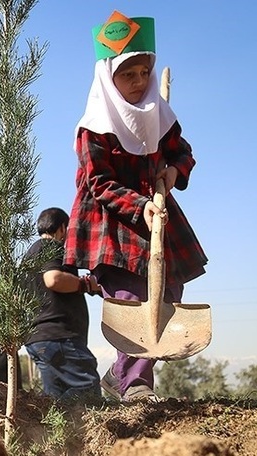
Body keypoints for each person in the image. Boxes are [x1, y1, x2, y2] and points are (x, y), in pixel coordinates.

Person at [65, 11, 208, 403]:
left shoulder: (159, 115)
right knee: (131, 297)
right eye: (129, 75)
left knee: (167, 294)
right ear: (108, 77)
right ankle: (136, 385)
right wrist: (140, 203)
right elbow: (98, 183)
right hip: (111, 221)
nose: (140, 82)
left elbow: (183, 153)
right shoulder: (93, 126)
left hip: (156, 218)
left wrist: (174, 173)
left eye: (144, 72)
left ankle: (118, 374)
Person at [24, 207, 102, 403]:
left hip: (38, 339)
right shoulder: (50, 247)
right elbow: (54, 279)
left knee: (54, 399)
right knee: (87, 389)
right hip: (59, 337)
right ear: (62, 228)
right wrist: (85, 284)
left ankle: (49, 433)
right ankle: (83, 431)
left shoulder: (28, 258)